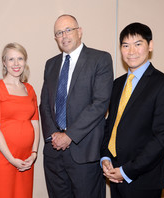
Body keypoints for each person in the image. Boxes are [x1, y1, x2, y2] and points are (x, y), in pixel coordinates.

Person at [101, 22, 164, 198]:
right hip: (114, 174)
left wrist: (127, 170)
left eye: (138, 44)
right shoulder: (117, 84)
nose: (131, 51)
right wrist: (105, 156)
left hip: (144, 179)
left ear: (150, 46)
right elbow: (111, 125)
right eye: (125, 45)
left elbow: (162, 137)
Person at [39, 14, 114, 198]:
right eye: (58, 33)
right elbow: (45, 105)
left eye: (68, 30)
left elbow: (100, 103)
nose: (64, 36)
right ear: (55, 38)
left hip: (84, 152)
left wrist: (69, 135)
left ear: (79, 32)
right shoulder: (51, 64)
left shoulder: (100, 59)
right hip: (54, 153)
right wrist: (53, 136)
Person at [0, 42, 40, 198]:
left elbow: (35, 124)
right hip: (2, 157)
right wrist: (11, 159)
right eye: (11, 59)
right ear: (4, 62)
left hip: (26, 157)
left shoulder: (29, 89)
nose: (16, 64)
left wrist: (34, 153)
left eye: (20, 59)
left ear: (25, 62)